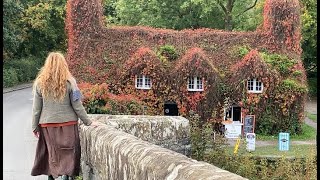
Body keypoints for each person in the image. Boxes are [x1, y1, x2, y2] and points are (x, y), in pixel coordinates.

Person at [31, 52, 100, 180]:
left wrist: (34, 127)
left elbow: (36, 109)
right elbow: (77, 105)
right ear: (64, 65)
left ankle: (52, 177)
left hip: (47, 126)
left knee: (53, 154)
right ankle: (65, 176)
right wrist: (89, 122)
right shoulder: (71, 82)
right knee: (69, 152)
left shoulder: (40, 83)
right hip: (68, 125)